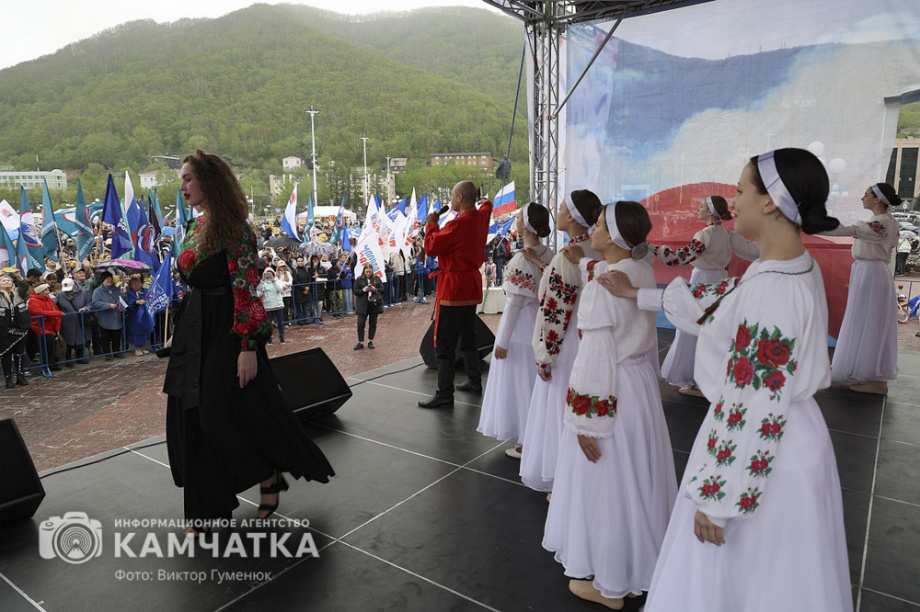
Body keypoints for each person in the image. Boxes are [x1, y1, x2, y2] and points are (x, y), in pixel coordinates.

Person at [602, 148, 852, 612]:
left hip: (765, 453)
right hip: (785, 440)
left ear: (772, 202)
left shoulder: (775, 287)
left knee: (741, 582)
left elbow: (754, 402)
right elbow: (717, 304)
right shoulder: (785, 268)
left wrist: (718, 495)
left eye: (740, 191)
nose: (732, 201)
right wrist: (640, 293)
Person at [164, 150, 332, 534]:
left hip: (228, 332)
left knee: (214, 418)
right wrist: (183, 327)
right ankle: (207, 510)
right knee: (192, 418)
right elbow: (193, 285)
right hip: (197, 330)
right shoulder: (193, 227)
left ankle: (267, 471)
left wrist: (247, 348)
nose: (183, 185)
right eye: (183, 179)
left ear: (210, 182)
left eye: (189, 178)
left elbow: (246, 291)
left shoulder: (236, 230)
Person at [543, 200, 676, 610]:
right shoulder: (637, 271)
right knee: (636, 479)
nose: (593, 230)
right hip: (639, 389)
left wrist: (585, 422)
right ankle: (636, 569)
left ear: (615, 237)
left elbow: (594, 358)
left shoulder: (604, 288)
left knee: (607, 487)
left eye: (599, 225)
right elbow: (603, 271)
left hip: (611, 390)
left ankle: (609, 583)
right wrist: (582, 260)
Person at [520, 190, 602, 494]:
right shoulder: (598, 250)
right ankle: (577, 477)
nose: (559, 211)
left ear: (571, 218)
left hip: (567, 346)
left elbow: (556, 312)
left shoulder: (568, 256)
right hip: (590, 341)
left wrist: (545, 355)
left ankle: (562, 478)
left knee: (560, 411)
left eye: (563, 207)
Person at [477, 202, 553, 455]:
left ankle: (526, 439)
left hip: (521, 328)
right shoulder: (551, 254)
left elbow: (514, 303)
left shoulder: (522, 259)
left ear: (526, 225)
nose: (516, 218)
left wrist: (503, 339)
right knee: (534, 383)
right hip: (541, 322)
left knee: (522, 385)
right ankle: (537, 435)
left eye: (519, 216)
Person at [820, 182, 901, 394]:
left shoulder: (881, 223)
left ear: (877, 199)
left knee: (869, 321)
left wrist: (815, 226)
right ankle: (866, 371)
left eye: (866, 195)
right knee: (866, 320)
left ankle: (873, 377)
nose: (862, 198)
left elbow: (849, 230)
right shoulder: (883, 222)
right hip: (870, 273)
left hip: (872, 275)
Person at [418, 181, 493, 409]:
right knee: (468, 335)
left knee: (445, 341)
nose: (450, 201)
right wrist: (482, 198)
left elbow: (431, 248)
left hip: (453, 287)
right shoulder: (482, 217)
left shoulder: (458, 225)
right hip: (471, 285)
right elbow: (487, 205)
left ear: (460, 198)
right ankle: (474, 380)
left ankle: (444, 393)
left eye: (452, 196)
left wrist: (431, 225)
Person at [651, 195, 734, 398]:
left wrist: (652, 248)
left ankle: (698, 381)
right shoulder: (725, 233)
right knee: (713, 329)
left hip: (703, 282)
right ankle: (713, 378)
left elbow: (680, 258)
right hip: (720, 282)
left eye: (702, 206)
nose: (698, 209)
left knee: (694, 327)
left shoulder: (704, 234)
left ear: (711, 212)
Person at [0, 273, 30, 387]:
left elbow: (25, 286)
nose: (7, 281)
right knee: (6, 354)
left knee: (19, 353)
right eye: (3, 280)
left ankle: (20, 376)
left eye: (9, 280)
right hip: (4, 330)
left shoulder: (17, 293)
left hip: (20, 329)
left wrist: (18, 276)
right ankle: (8, 378)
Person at [56, 278, 91, 366]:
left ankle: (80, 357)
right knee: (68, 340)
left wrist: (85, 308)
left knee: (81, 338)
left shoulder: (84, 292)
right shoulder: (60, 294)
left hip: (80, 319)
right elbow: (55, 305)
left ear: (74, 286)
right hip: (67, 321)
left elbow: (90, 303)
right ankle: (68, 359)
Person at [28, 283, 63, 371]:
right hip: (39, 327)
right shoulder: (33, 301)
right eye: (46, 290)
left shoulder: (49, 299)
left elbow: (55, 310)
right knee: (46, 344)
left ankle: (52, 363)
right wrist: (57, 314)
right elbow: (39, 312)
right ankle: (48, 364)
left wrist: (57, 327)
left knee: (51, 344)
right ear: (40, 292)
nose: (48, 291)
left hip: (50, 326)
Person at [92, 271, 125, 361]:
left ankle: (116, 351)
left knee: (116, 336)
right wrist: (108, 305)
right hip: (105, 318)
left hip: (116, 316)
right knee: (105, 337)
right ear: (103, 280)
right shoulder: (98, 291)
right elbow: (95, 302)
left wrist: (123, 294)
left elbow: (122, 300)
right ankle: (108, 353)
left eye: (111, 279)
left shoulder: (117, 289)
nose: (109, 281)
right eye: (107, 279)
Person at [354, 263, 383, 350]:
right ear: (364, 271)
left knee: (373, 323)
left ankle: (370, 340)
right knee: (360, 324)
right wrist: (364, 290)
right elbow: (355, 291)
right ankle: (360, 342)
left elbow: (382, 290)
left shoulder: (376, 279)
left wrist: (375, 289)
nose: (368, 273)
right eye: (366, 272)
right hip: (363, 304)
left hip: (373, 304)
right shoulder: (359, 279)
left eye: (370, 272)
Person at [258, 267, 285, 344]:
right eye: (267, 273)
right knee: (268, 324)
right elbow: (259, 289)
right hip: (268, 306)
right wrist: (263, 279)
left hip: (278, 305)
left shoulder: (277, 281)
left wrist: (273, 280)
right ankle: (269, 338)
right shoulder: (263, 283)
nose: (269, 275)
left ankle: (282, 337)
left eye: (270, 273)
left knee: (280, 323)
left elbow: (279, 289)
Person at [125, 276, 150, 356]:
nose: (137, 285)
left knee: (144, 329)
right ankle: (137, 348)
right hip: (134, 314)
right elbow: (129, 301)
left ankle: (143, 347)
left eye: (138, 283)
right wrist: (136, 302)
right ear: (131, 285)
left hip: (144, 314)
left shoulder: (145, 290)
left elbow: (149, 297)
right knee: (135, 331)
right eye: (134, 283)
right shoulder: (129, 292)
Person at [292, 256, 311, 325]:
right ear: (297, 262)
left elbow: (309, 279)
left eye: (301, 261)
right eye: (299, 261)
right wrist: (303, 288)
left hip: (306, 290)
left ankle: (305, 319)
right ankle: (300, 320)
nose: (300, 262)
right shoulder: (295, 270)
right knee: (299, 307)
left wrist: (307, 287)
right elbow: (295, 281)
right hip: (299, 291)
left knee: (306, 306)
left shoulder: (306, 269)